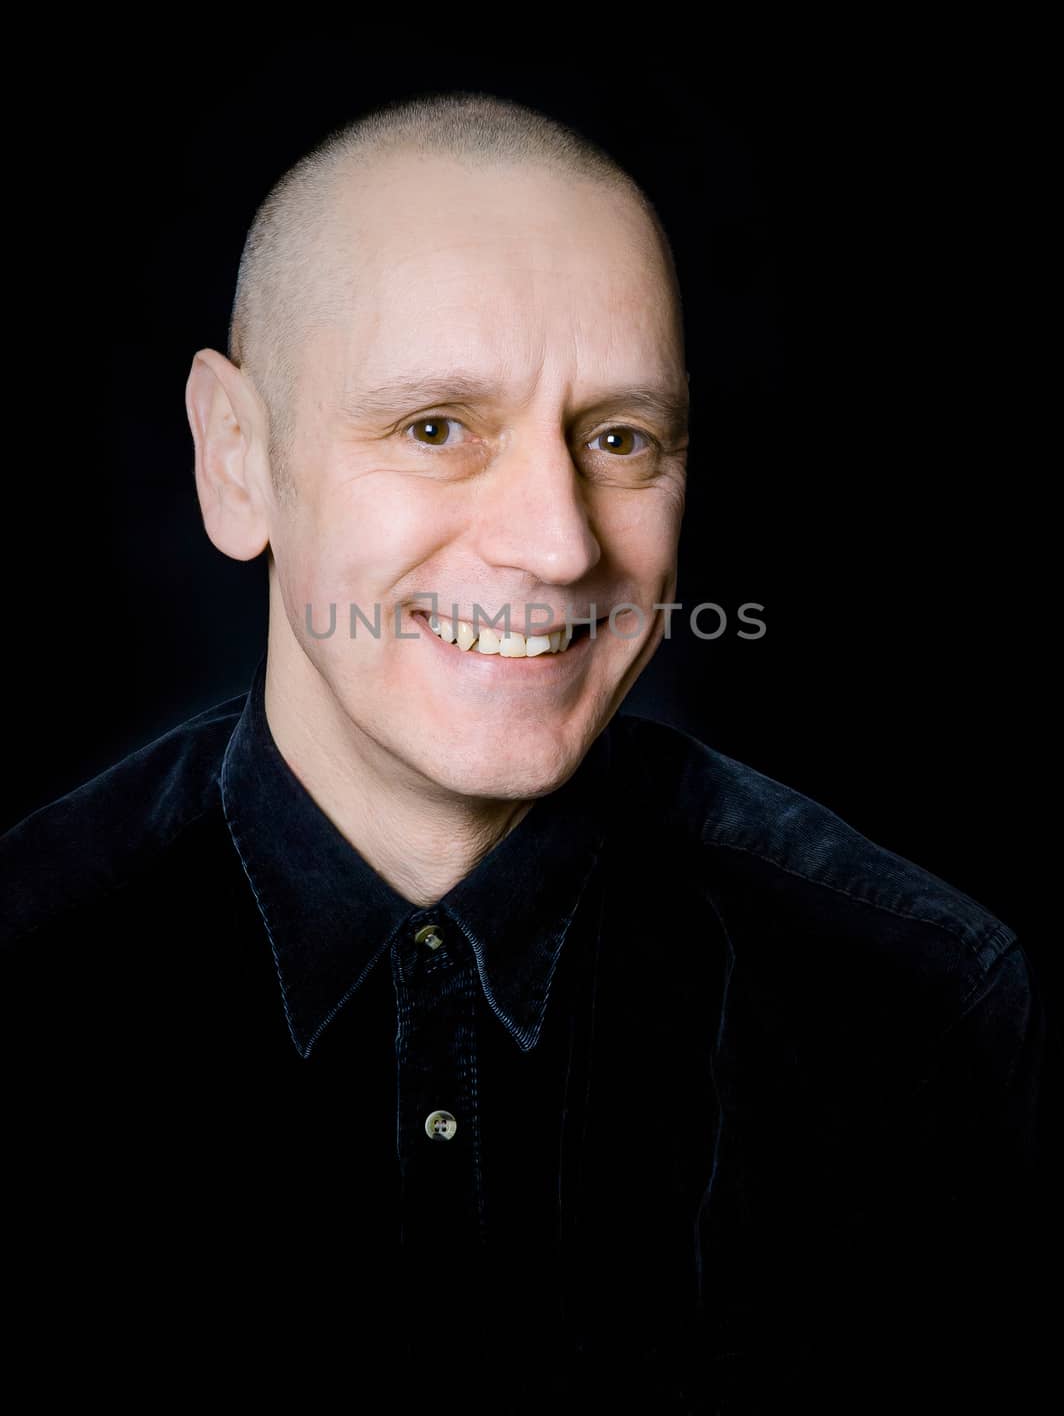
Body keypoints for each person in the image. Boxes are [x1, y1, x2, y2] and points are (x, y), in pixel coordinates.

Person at [1, 91, 1046, 1412]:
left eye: (619, 439)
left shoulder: (920, 1003)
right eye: (437, 428)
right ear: (236, 458)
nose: (559, 546)